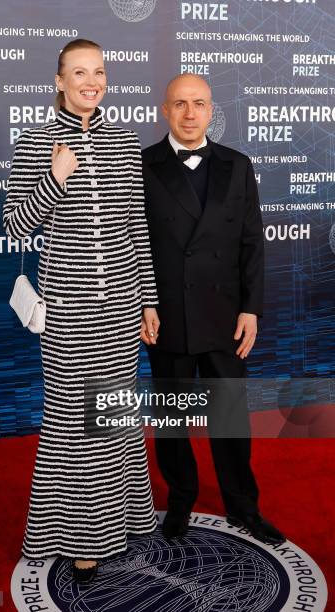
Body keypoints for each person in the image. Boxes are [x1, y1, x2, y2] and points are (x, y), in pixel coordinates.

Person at [3, 38, 160, 583]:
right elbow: (15, 226)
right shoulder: (37, 140)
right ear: (59, 81)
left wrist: (149, 301)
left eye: (98, 72)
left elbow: (137, 228)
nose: (90, 82)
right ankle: (79, 539)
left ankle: (130, 516)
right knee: (74, 423)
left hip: (120, 306)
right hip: (67, 310)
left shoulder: (123, 138)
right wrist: (55, 179)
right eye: (79, 73)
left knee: (114, 412)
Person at [141, 74, 285, 545]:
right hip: (167, 315)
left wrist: (251, 310)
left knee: (230, 418)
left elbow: (251, 243)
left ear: (211, 109)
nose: (189, 113)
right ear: (165, 110)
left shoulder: (237, 165)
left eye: (198, 103)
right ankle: (180, 501)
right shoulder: (143, 165)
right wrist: (144, 303)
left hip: (225, 316)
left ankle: (244, 507)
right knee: (172, 421)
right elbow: (129, 243)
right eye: (179, 104)